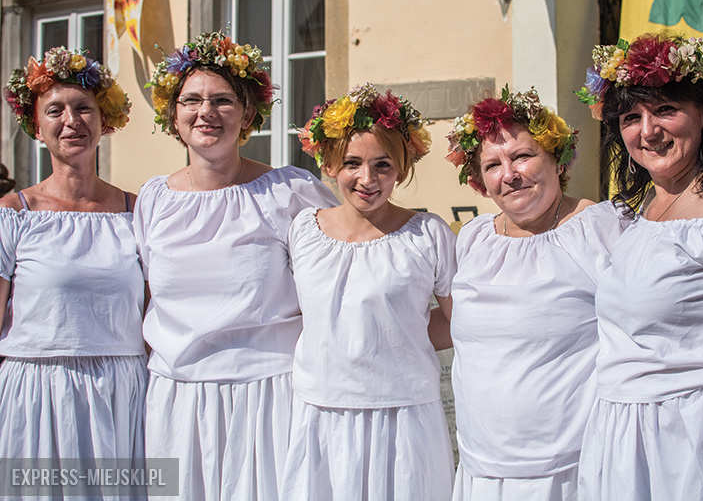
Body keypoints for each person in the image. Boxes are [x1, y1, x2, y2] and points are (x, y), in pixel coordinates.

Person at [575, 33, 703, 500]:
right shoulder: (641, 209)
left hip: (700, 444)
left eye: (665, 109)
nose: (648, 130)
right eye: (631, 117)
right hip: (628, 449)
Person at [134, 31, 338, 501]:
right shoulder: (154, 199)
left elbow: (339, 271)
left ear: (247, 114)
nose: (206, 112)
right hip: (177, 400)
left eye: (222, 100)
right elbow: (145, 296)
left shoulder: (289, 192)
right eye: (192, 100)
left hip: (270, 396)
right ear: (174, 114)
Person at [439, 86, 627, 501]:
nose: (510, 174)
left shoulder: (602, 227)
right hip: (481, 467)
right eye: (493, 164)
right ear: (480, 180)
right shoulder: (472, 240)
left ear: (557, 159)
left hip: (570, 469)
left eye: (523, 156)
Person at [280, 83, 456, 500]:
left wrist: (393, 335)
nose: (367, 179)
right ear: (330, 164)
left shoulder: (428, 233)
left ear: (401, 166)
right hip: (322, 410)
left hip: (405, 414)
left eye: (383, 165)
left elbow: (458, 321)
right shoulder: (303, 230)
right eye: (352, 163)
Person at [0, 48, 145, 492]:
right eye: (55, 110)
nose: (72, 121)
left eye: (84, 108)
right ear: (36, 127)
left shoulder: (136, 211)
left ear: (105, 120)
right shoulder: (13, 213)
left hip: (122, 392)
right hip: (37, 392)